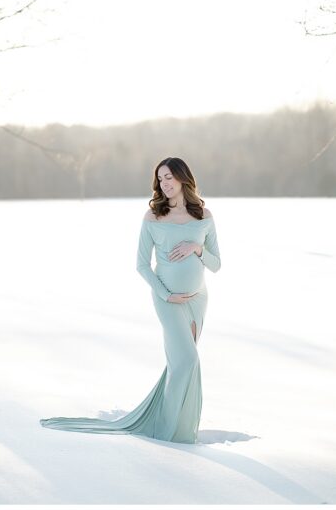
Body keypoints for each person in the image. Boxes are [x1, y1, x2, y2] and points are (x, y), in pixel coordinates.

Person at [40, 157, 222, 444]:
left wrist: (197, 248)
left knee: (179, 365)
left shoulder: (204, 216)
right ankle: (166, 432)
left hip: (198, 299)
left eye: (169, 177)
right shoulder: (153, 217)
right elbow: (141, 265)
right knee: (187, 361)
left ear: (183, 178)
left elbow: (216, 264)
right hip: (167, 300)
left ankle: (182, 429)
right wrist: (167, 294)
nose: (164, 183)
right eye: (160, 178)